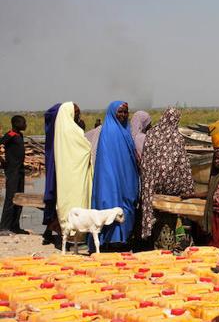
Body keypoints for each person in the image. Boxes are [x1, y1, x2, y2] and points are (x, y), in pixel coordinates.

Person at [139, 107, 194, 239]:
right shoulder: (177, 137)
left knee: (157, 217)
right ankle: (166, 244)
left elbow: (145, 160)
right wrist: (189, 189)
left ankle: (152, 237)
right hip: (171, 189)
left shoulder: (151, 133)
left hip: (151, 185)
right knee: (169, 219)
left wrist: (148, 182)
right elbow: (183, 165)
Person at [91, 101, 139, 251]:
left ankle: (124, 239)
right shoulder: (108, 132)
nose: (123, 115)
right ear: (113, 113)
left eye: (126, 112)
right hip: (111, 180)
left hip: (127, 178)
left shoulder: (126, 131)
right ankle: (112, 240)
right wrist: (113, 183)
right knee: (112, 206)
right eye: (120, 112)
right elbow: (105, 162)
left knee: (128, 205)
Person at [184, 150, 219, 248]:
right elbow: (210, 193)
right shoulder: (215, 175)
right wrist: (191, 195)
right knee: (213, 241)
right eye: (215, 159)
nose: (216, 161)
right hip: (214, 213)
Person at [54, 102, 93, 237]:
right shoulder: (73, 130)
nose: (78, 116)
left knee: (66, 200)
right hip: (76, 174)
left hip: (65, 174)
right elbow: (86, 148)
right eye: (76, 113)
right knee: (77, 200)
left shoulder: (59, 130)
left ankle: (67, 233)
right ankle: (77, 236)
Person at [0, 115, 27, 235]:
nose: (25, 125)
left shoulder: (19, 135)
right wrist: (3, 162)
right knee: (10, 198)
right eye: (23, 123)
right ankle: (3, 227)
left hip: (20, 170)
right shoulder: (9, 135)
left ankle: (15, 226)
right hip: (12, 171)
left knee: (19, 198)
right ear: (16, 124)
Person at [42, 103, 61, 244]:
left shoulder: (52, 131)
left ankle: (49, 231)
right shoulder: (59, 133)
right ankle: (56, 232)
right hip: (58, 173)